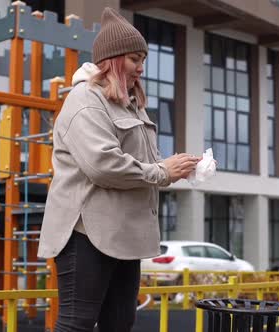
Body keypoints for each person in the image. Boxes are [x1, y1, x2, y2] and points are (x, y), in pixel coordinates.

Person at [37, 7, 200, 332]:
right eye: (134, 59)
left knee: (120, 323)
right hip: (86, 234)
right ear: (111, 59)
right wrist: (162, 171)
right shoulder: (85, 100)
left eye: (142, 60)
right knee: (76, 324)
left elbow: (146, 163)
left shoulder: (129, 104)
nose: (141, 68)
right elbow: (104, 165)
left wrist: (176, 167)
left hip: (122, 235)